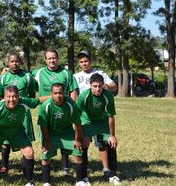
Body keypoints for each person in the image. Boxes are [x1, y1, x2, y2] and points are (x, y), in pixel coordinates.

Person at [0, 85, 42, 186]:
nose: (11, 99)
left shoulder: (24, 102)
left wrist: (53, 97)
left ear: (18, 96)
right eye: (8, 97)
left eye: (14, 96)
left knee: (29, 152)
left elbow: (38, 100)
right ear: (4, 97)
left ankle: (30, 181)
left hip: (17, 131)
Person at [33, 48, 78, 175]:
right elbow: (24, 78)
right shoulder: (39, 73)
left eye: (54, 58)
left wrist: (72, 108)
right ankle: (47, 169)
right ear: (45, 60)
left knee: (65, 136)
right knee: (46, 140)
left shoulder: (66, 73)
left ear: (58, 59)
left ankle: (65, 167)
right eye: (49, 58)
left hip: (64, 109)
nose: (52, 60)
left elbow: (73, 90)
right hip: (47, 112)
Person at [74, 49, 118, 183]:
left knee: (105, 143)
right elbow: (73, 94)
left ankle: (109, 172)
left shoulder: (100, 74)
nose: (84, 63)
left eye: (86, 60)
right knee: (83, 143)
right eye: (81, 61)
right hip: (85, 116)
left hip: (100, 116)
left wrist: (112, 135)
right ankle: (83, 176)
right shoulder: (76, 77)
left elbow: (113, 86)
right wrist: (79, 136)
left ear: (90, 60)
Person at [0, 51, 37, 174]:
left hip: (23, 112)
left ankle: (25, 166)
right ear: (8, 63)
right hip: (7, 112)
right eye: (12, 61)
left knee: (24, 139)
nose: (14, 63)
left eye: (17, 61)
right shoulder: (3, 77)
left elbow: (32, 94)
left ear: (20, 62)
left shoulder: (28, 76)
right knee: (6, 139)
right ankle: (4, 165)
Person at [38, 83, 85, 186]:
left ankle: (80, 181)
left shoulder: (71, 104)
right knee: (45, 155)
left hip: (66, 132)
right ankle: (46, 182)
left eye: (60, 93)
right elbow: (43, 126)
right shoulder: (46, 105)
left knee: (78, 151)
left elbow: (77, 123)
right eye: (55, 93)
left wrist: (77, 139)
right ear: (51, 94)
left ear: (64, 93)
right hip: (51, 132)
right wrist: (47, 141)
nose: (58, 95)